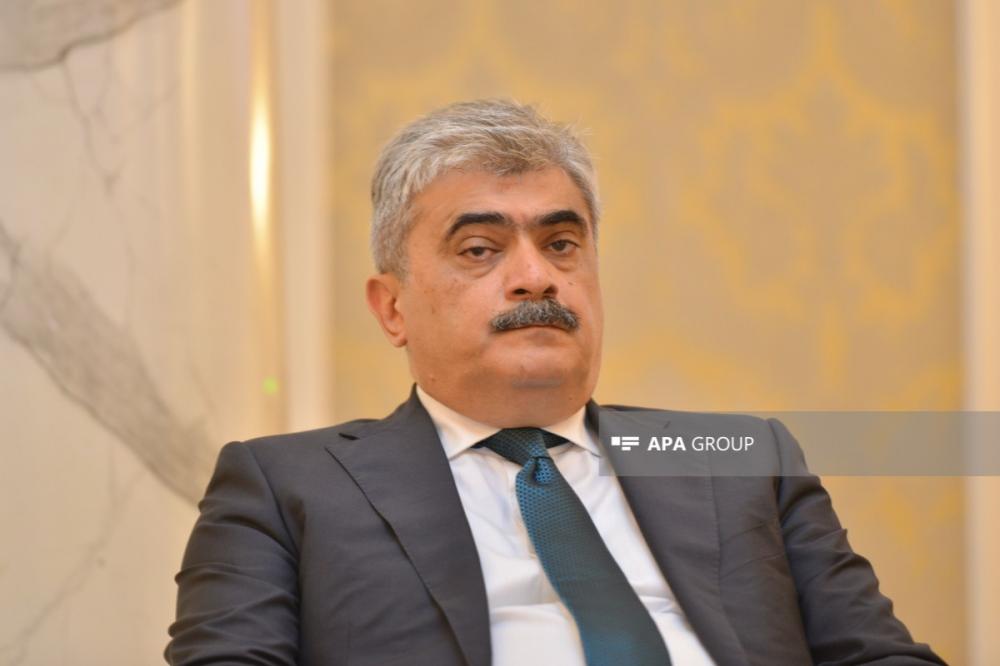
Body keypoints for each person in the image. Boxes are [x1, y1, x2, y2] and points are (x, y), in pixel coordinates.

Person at [165, 100, 945, 665]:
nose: (535, 276)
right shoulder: (284, 488)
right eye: (480, 249)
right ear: (392, 307)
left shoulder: (740, 458)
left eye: (563, 243)